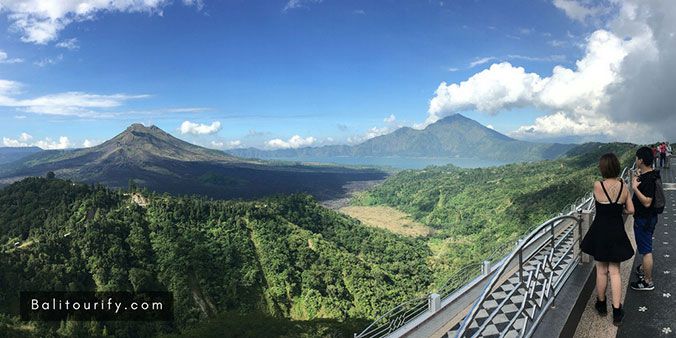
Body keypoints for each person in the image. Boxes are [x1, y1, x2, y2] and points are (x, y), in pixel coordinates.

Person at [581, 153, 634, 325]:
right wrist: (621, 210)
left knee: (601, 270)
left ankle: (601, 304)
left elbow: (598, 201)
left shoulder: (598, 185)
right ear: (617, 167)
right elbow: (631, 210)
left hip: (600, 232)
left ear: (602, 168)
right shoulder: (623, 187)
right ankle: (617, 312)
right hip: (616, 231)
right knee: (615, 272)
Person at [630, 146, 660, 292]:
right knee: (646, 244)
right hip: (650, 218)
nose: (636, 160)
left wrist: (634, 188)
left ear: (641, 160)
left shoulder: (648, 180)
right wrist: (638, 176)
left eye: (637, 158)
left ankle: (648, 282)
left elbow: (647, 202)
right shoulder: (652, 174)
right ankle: (643, 268)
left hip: (644, 219)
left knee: (646, 250)